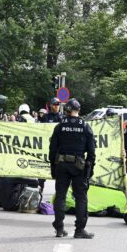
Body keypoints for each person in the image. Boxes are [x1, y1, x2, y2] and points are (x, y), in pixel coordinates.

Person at [49, 98, 95, 239]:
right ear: (78, 110)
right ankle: (80, 230)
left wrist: (53, 167)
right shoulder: (85, 126)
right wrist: (90, 168)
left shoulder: (59, 126)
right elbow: (92, 151)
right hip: (79, 166)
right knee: (81, 197)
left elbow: (52, 149)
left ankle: (59, 228)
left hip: (61, 165)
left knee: (60, 196)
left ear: (67, 110)